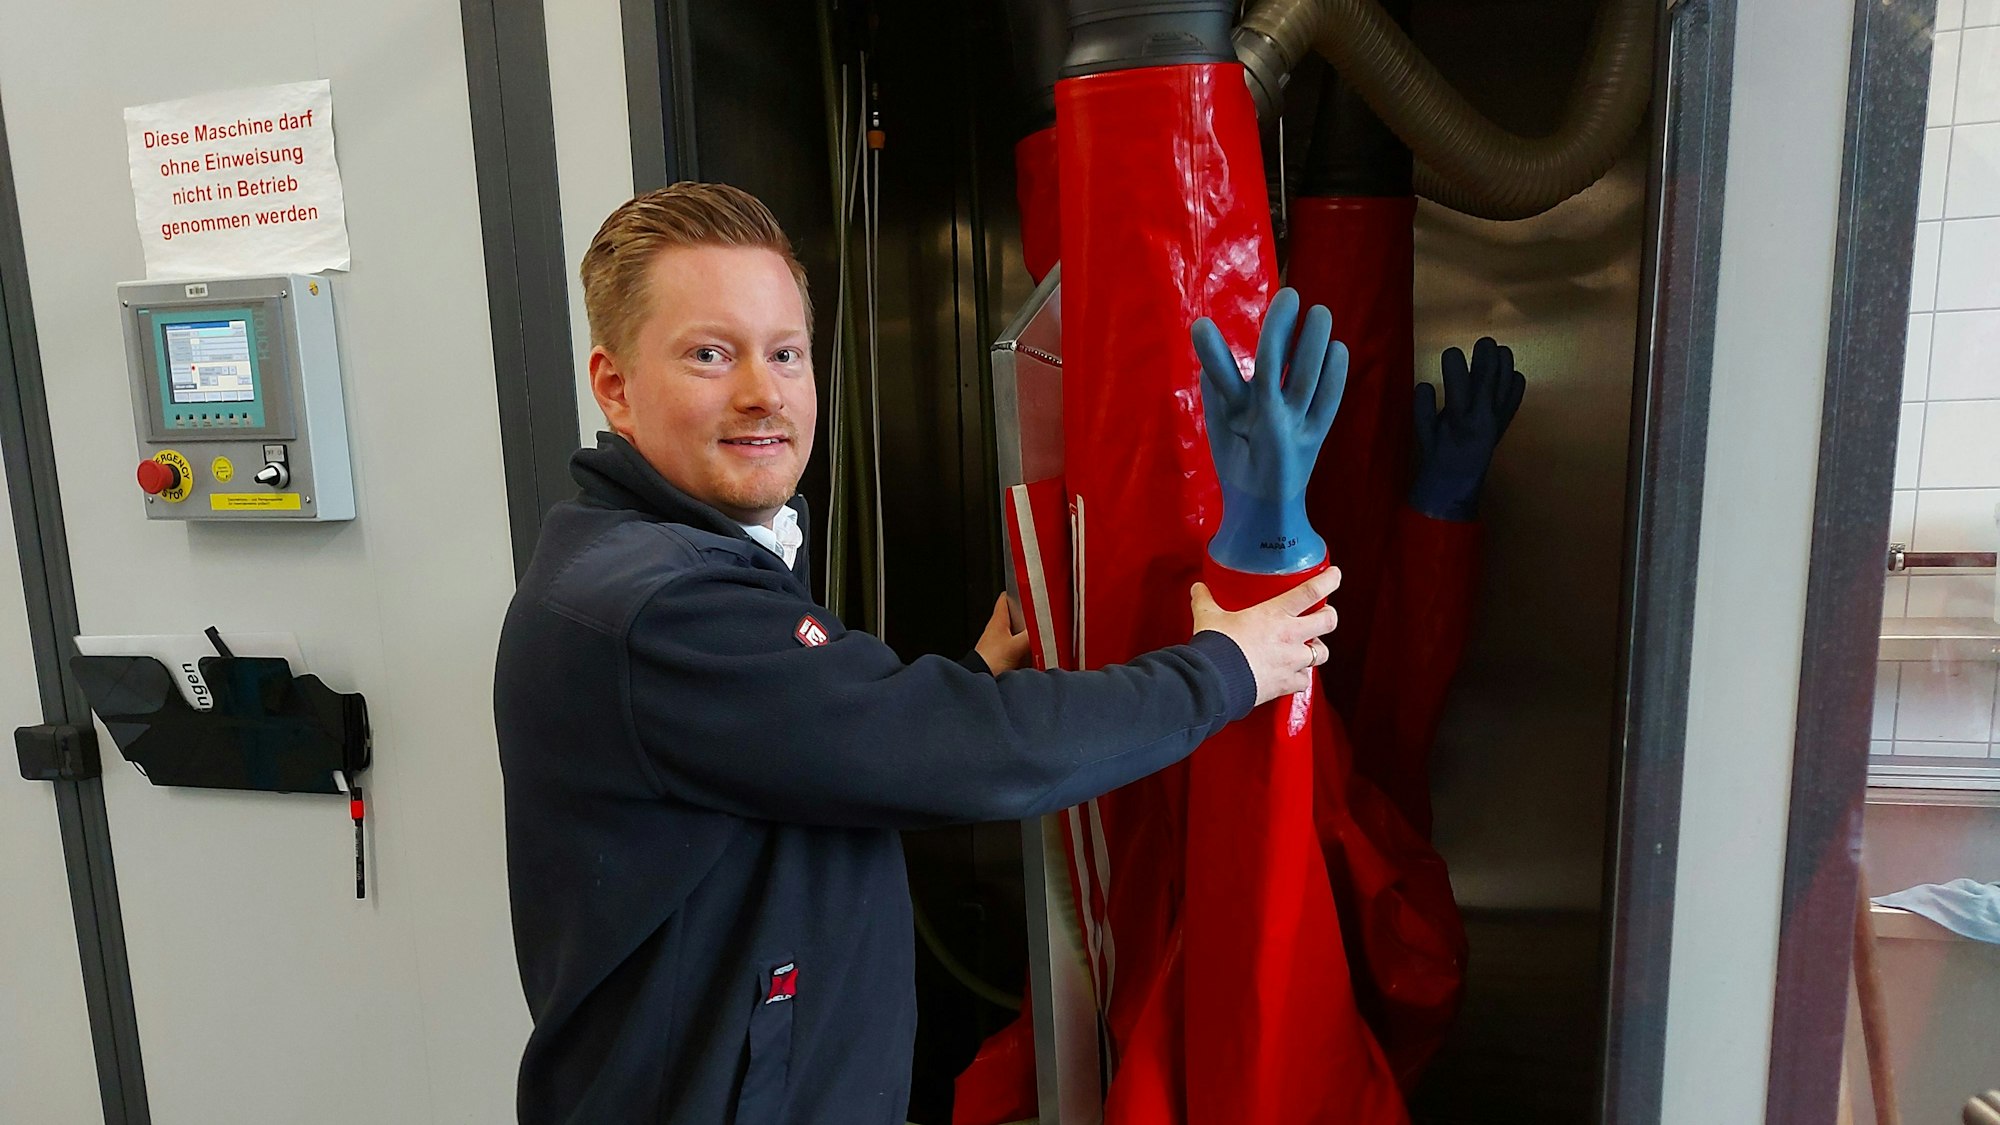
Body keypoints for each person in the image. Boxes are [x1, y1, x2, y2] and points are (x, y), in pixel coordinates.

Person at [493, 182, 1339, 1124]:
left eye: (785, 354)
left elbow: (798, 755)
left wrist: (965, 683)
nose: (761, 392)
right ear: (614, 385)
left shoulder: (680, 558)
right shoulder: (657, 606)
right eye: (708, 354)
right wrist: (1224, 665)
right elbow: (972, 751)